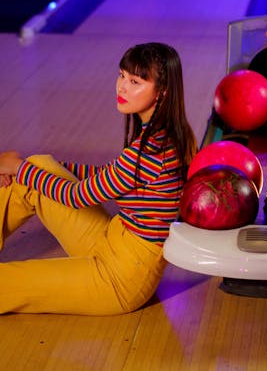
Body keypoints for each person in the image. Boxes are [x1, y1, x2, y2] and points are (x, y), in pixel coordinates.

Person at [0, 42, 197, 315]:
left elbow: (76, 196)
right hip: (111, 241)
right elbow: (108, 177)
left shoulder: (152, 151)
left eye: (135, 81)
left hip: (120, 278)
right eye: (121, 75)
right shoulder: (170, 132)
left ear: (161, 92)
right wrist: (28, 168)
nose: (121, 87)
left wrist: (18, 167)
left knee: (6, 282)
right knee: (40, 165)